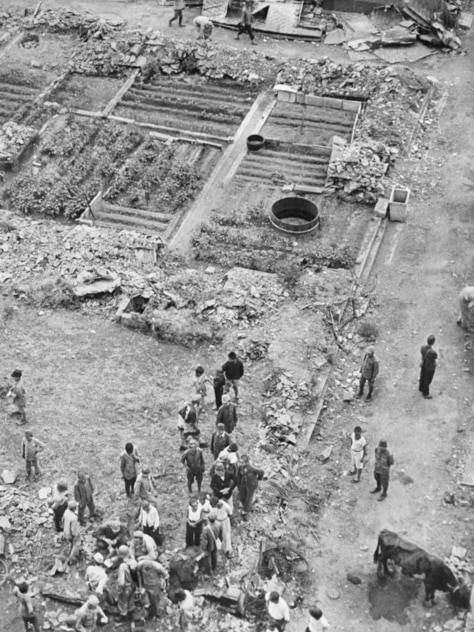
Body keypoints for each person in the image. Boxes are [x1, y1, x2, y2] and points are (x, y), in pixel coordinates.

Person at [116, 546, 137, 623]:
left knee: (122, 601)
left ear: (120, 555)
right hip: (134, 585)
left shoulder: (123, 566)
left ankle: (124, 616)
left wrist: (119, 590)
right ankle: (131, 613)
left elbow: (121, 582)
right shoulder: (134, 562)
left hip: (126, 587)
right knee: (131, 599)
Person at [419, 335, 438, 399]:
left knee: (423, 377)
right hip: (430, 368)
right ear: (433, 342)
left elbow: (422, 355)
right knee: (427, 380)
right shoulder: (433, 352)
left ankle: (421, 388)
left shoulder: (422, 347)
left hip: (424, 365)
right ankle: (425, 393)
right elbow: (435, 357)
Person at [63, 500, 82, 565]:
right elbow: (74, 531)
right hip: (71, 535)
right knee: (77, 544)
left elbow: (63, 521)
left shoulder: (66, 512)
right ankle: (71, 558)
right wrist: (77, 535)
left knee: (71, 543)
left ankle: (70, 549)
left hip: (66, 532)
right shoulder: (74, 518)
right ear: (74, 509)